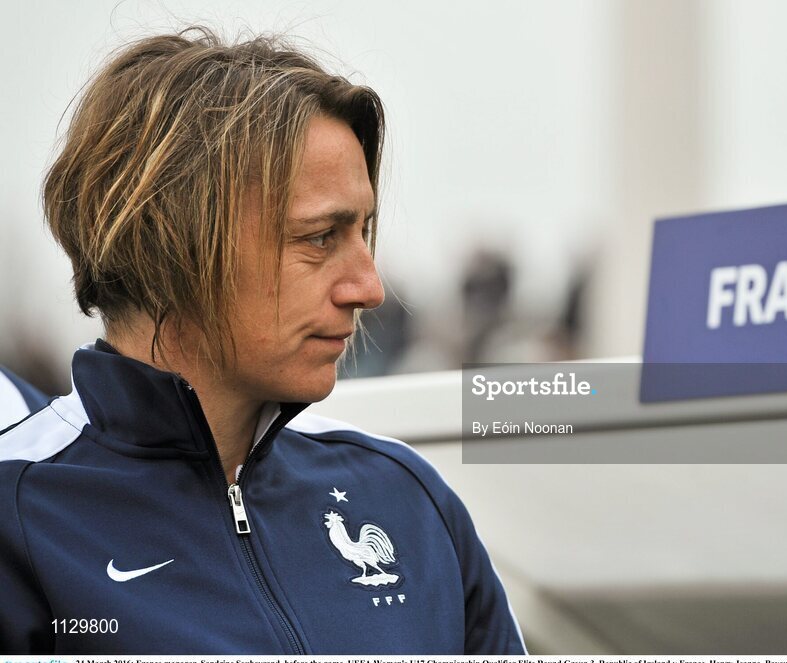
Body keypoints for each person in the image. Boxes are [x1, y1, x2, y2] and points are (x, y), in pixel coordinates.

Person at [0, 27, 525, 654]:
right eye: (320, 237)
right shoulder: (19, 517)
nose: (368, 286)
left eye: (365, 231)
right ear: (174, 246)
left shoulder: (409, 499)